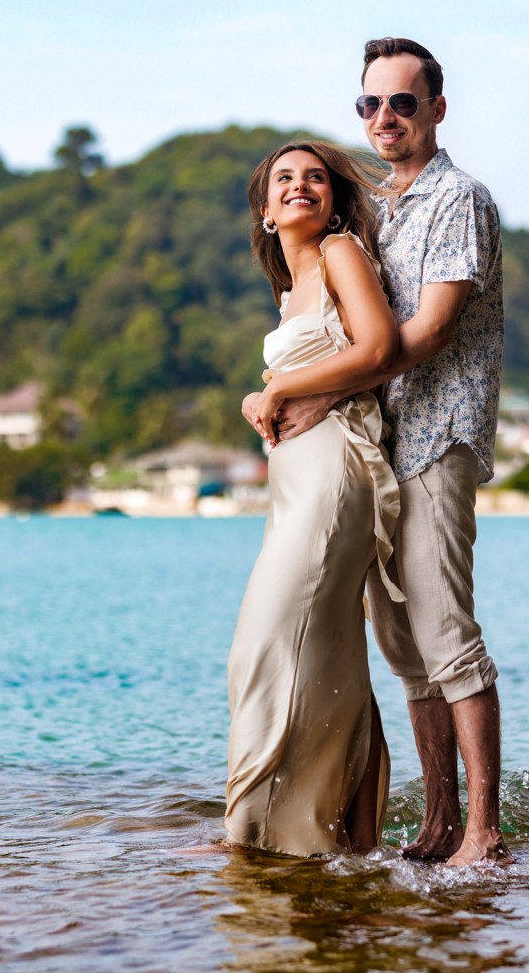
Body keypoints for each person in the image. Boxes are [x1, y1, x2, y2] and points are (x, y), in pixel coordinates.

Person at [244, 37, 510, 867]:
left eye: (402, 101)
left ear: (436, 109)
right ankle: (435, 824)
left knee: (446, 632)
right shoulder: (381, 211)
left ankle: (482, 831)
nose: (385, 117)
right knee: (402, 648)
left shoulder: (456, 199)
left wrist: (304, 393)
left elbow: (423, 334)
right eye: (370, 104)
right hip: (380, 451)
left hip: (438, 436)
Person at [224, 140, 404, 857]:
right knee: (327, 651)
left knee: (267, 644)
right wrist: (258, 398)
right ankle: (347, 832)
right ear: (266, 211)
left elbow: (378, 347)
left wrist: (278, 388)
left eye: (316, 178)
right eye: (285, 180)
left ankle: (258, 832)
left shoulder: (341, 254)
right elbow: (302, 373)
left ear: (332, 198)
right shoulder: (288, 290)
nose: (302, 187)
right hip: (293, 483)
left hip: (336, 475)